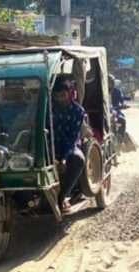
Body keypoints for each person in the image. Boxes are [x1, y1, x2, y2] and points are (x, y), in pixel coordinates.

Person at [52, 77, 86, 214]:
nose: (60, 99)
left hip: (69, 146)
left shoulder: (78, 111)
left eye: (63, 95)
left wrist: (64, 159)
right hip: (49, 145)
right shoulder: (48, 107)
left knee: (79, 160)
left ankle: (62, 196)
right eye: (56, 96)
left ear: (70, 93)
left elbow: (73, 138)